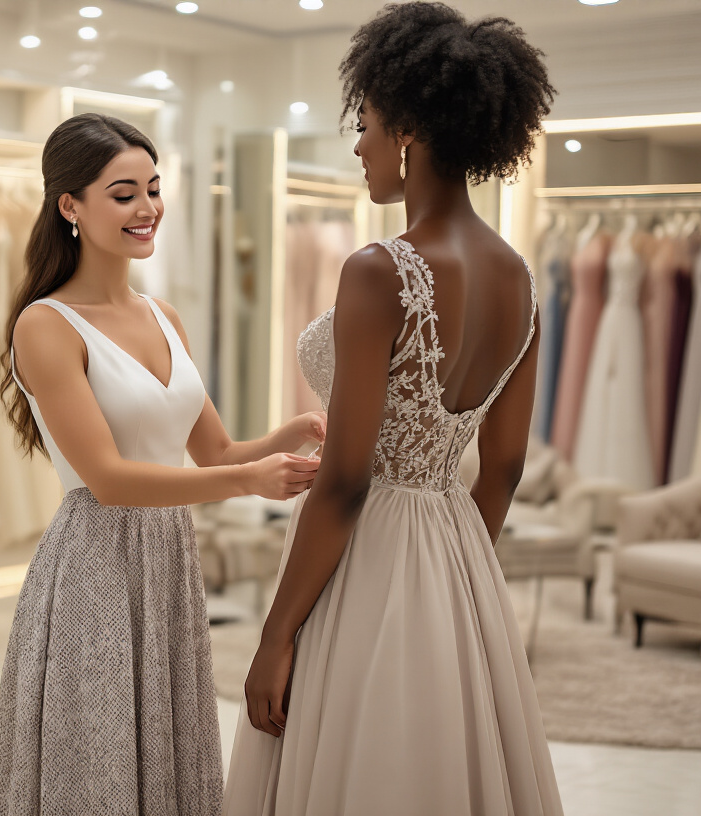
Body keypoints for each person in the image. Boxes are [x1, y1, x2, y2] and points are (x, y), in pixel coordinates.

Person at [223, 4, 565, 814]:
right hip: (456, 550)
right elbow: (505, 468)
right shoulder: (520, 280)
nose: (358, 144)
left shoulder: (382, 270)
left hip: (366, 550)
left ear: (409, 130)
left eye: (367, 123)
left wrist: (275, 638)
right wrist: (447, 575)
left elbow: (345, 480)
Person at [0, 113, 326, 816]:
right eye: (124, 193)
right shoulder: (45, 324)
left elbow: (216, 452)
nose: (148, 209)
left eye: (154, 189)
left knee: (168, 749)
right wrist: (244, 481)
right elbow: (108, 478)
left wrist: (286, 435)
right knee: (98, 760)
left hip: (168, 559)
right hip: (95, 565)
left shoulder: (163, 314)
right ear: (69, 205)